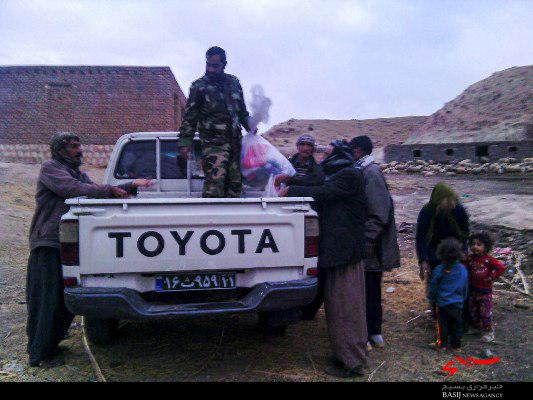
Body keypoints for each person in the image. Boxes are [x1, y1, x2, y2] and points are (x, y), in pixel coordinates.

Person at [26, 132, 152, 368]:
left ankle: (50, 346)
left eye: (78, 146)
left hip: (65, 242)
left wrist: (130, 185)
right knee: (45, 300)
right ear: (60, 149)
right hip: (49, 243)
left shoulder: (75, 172)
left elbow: (93, 187)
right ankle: (38, 354)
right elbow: (72, 189)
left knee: (62, 302)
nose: (79, 150)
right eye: (74, 147)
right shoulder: (51, 168)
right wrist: (111, 190)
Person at [280, 140, 368, 378]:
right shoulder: (341, 173)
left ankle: (352, 362)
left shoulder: (350, 175)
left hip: (346, 255)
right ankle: (344, 355)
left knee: (347, 310)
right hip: (339, 253)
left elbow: (323, 191)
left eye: (328, 154)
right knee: (338, 310)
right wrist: (289, 179)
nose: (324, 158)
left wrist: (292, 190)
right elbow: (316, 181)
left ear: (339, 155)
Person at [178, 46, 255, 198]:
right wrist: (185, 142)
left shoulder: (234, 83)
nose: (211, 69)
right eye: (208, 65)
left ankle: (232, 221)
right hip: (213, 144)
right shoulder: (198, 86)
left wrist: (250, 125)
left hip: (234, 142)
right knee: (215, 185)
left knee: (235, 185)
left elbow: (242, 111)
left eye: (215, 66)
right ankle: (211, 220)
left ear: (224, 64)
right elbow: (190, 116)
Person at [349, 135, 400, 350]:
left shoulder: (371, 172)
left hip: (372, 245)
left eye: (351, 150)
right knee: (363, 289)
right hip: (368, 242)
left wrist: (366, 238)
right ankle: (368, 332)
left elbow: (380, 212)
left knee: (370, 289)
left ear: (359, 150)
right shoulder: (363, 170)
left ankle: (374, 332)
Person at [416, 182, 469, 314]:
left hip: (454, 248)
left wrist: (464, 252)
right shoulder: (427, 211)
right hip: (434, 249)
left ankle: (459, 308)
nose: (450, 205)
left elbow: (465, 233)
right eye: (446, 202)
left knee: (457, 278)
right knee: (436, 278)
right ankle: (437, 309)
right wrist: (423, 260)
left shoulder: (458, 210)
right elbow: (421, 238)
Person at [428, 238, 468, 351]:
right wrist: (463, 297)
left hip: (442, 303)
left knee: (442, 325)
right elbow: (465, 285)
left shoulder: (439, 269)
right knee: (457, 324)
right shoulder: (462, 269)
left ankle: (442, 344)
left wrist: (431, 297)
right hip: (458, 303)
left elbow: (433, 285)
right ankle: (456, 346)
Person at [465, 232, 506, 342]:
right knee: (473, 310)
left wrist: (492, 277)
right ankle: (476, 328)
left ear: (486, 247)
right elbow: (464, 267)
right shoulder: (469, 259)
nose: (475, 247)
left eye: (479, 244)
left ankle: (489, 331)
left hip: (485, 291)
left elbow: (501, 268)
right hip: (472, 289)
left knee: (485, 312)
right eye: (473, 244)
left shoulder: (489, 259)